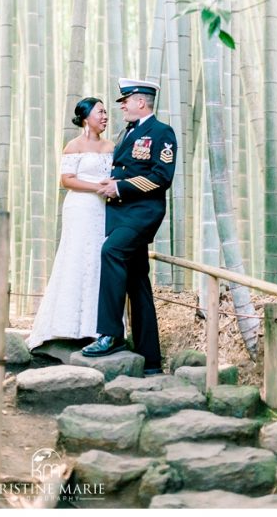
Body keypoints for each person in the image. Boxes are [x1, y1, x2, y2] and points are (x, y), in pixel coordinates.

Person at [81, 78, 177, 376]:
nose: (121, 106)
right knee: (137, 281)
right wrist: (113, 183)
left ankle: (110, 335)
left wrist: (120, 187)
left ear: (141, 102)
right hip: (122, 213)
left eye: (125, 101)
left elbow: (161, 177)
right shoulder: (127, 132)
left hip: (142, 213)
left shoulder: (161, 132)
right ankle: (151, 359)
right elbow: (124, 167)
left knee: (111, 251)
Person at [27, 97, 115, 351]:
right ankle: (67, 325)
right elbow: (67, 180)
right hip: (80, 207)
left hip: (103, 209)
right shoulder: (73, 146)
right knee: (76, 257)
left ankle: (95, 327)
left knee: (98, 259)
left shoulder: (111, 146)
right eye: (100, 112)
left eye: (105, 112)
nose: (105, 116)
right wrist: (97, 187)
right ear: (86, 118)